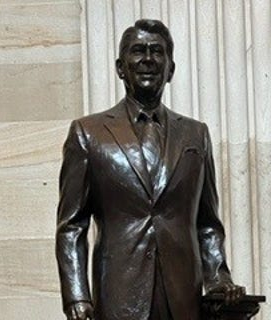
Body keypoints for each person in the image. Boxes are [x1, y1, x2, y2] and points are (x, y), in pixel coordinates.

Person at [56, 19, 245, 320]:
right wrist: (77, 296)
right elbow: (72, 226)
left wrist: (218, 277)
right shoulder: (88, 134)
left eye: (157, 52)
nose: (148, 59)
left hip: (183, 296)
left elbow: (207, 222)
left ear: (170, 69)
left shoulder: (196, 135)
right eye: (138, 51)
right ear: (121, 67)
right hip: (119, 293)